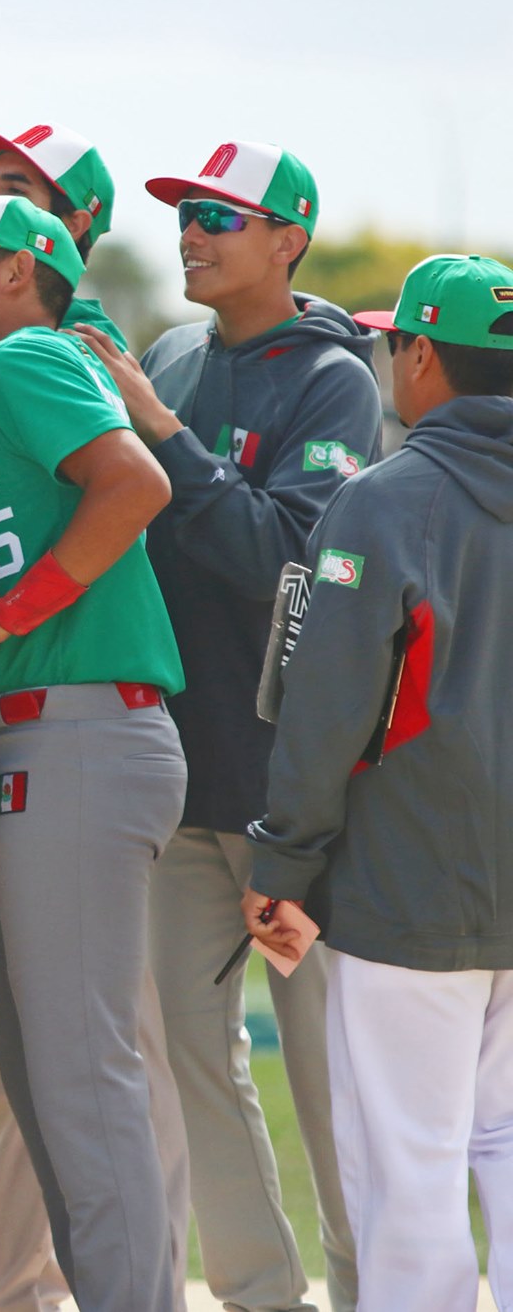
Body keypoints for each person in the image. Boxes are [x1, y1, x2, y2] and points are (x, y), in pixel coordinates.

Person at [76, 140, 378, 1312]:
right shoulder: (172, 351)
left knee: (325, 1072)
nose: (189, 234)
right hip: (172, 765)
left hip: (287, 788)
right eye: (181, 215)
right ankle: (260, 1295)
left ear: (286, 237)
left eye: (218, 216)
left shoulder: (336, 377)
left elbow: (282, 558)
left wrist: (156, 428)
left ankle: (373, 1290)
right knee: (192, 1063)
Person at [0, 194, 188, 1312]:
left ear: (24, 271)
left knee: (79, 1075)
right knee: (39, 1079)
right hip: (36, 735)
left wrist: (12, 614)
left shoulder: (25, 354)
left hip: (75, 724)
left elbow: (136, 482)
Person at [245, 252, 513, 1312]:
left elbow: (323, 713)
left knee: (405, 1166)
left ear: (417, 355)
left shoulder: (382, 500)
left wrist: (280, 859)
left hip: (409, 887)